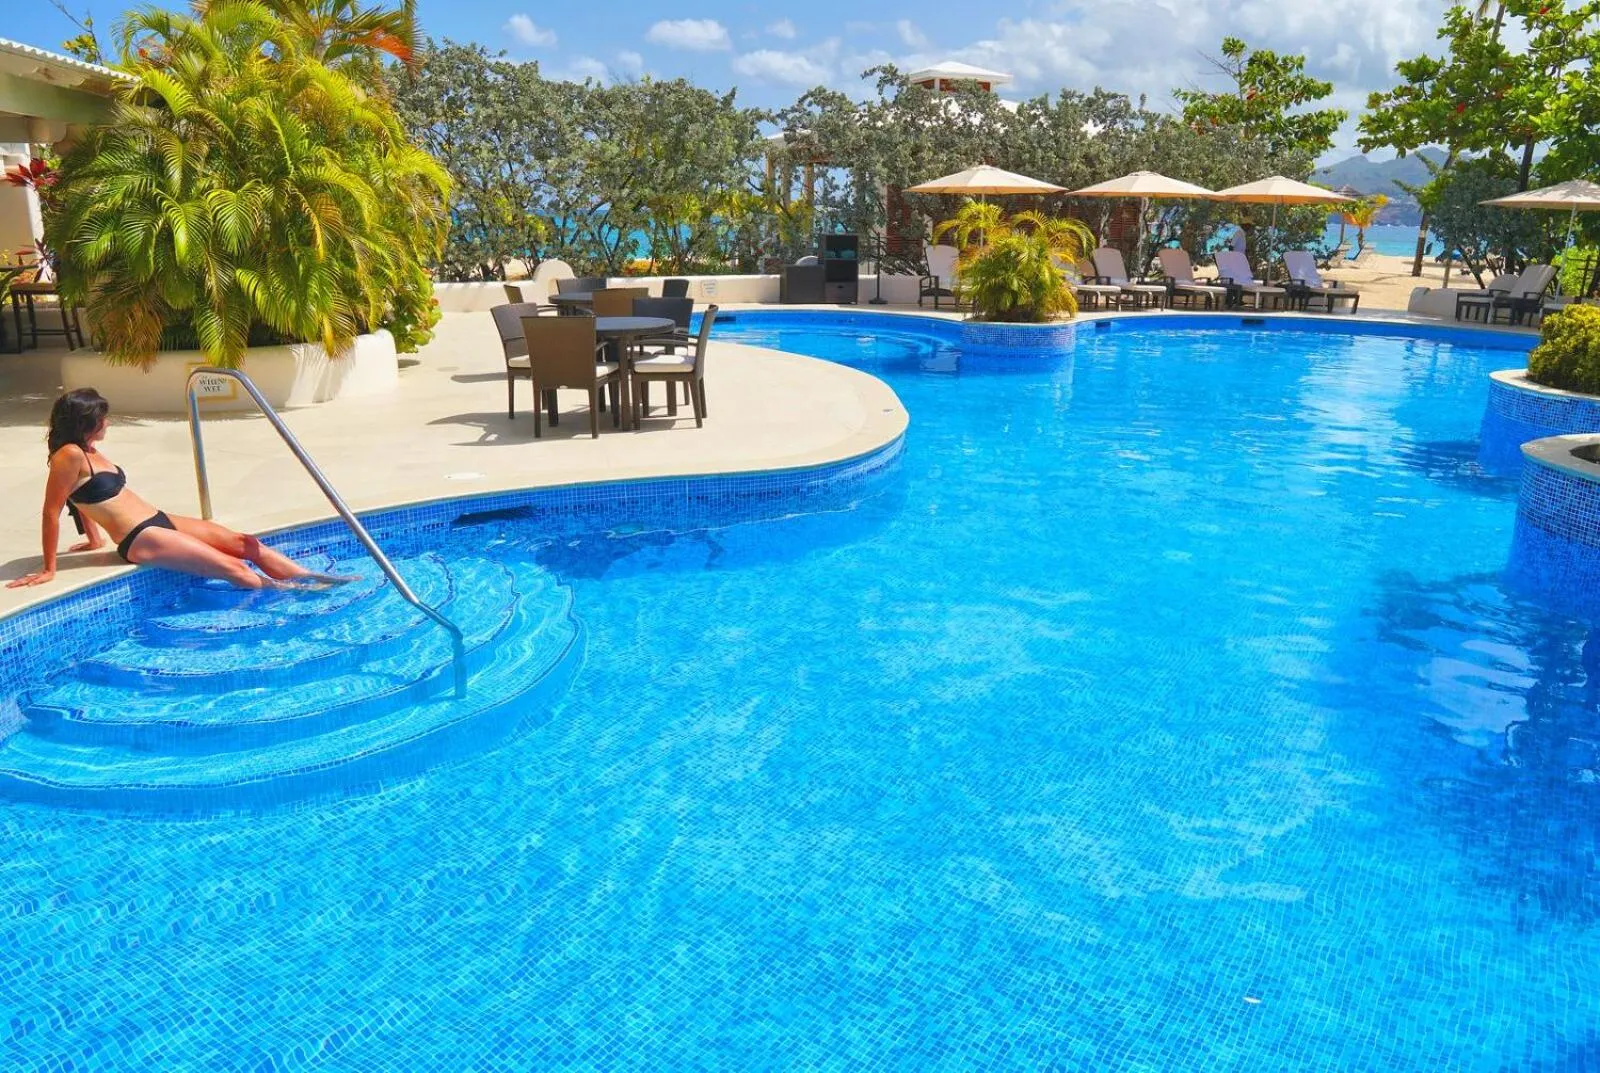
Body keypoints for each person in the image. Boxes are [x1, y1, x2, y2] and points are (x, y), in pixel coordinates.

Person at [8, 388, 345, 590]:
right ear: (85, 422)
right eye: (102, 418)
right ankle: (299, 596)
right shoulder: (69, 454)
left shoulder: (87, 448)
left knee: (247, 545)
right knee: (235, 570)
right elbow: (52, 510)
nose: (107, 422)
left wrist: (94, 540)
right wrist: (50, 568)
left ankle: (315, 580)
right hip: (138, 537)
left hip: (159, 519)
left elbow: (82, 496)